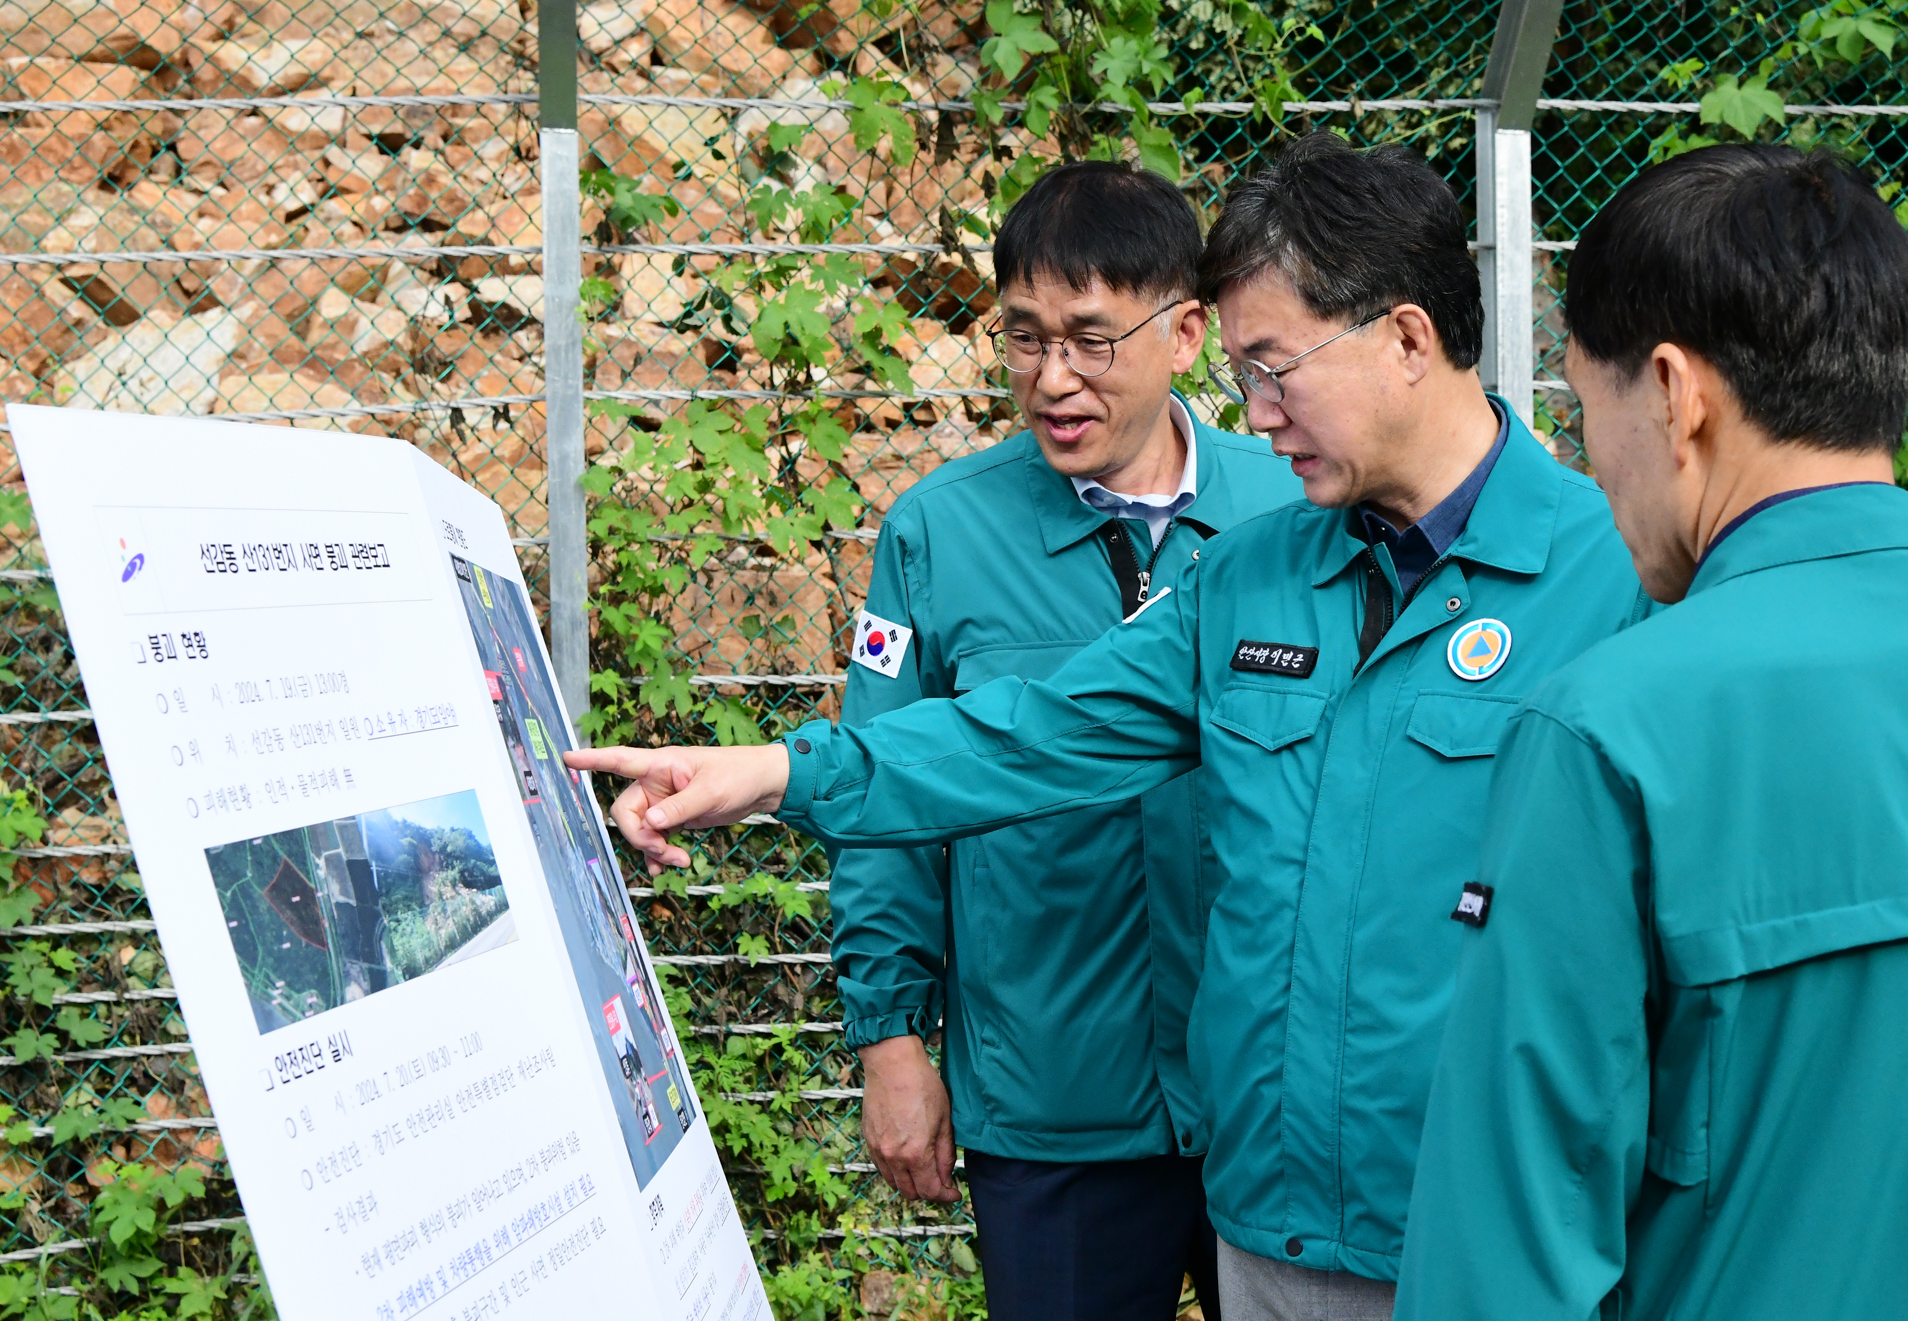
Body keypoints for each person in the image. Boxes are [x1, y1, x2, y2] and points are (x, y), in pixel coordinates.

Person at [570, 132, 1652, 1320]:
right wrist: (771, 771)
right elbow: (1024, 733)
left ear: (1405, 338)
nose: (1256, 411)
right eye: (1244, 374)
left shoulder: (1614, 578)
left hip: (1480, 1234)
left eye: (1275, 367)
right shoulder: (1250, 578)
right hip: (1266, 1229)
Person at [1396, 146, 1908, 1320]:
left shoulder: (1611, 726)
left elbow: (1506, 1246)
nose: (1588, 463)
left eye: (1583, 412)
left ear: (1675, 392)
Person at [831, 162, 1303, 1321]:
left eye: (1091, 340)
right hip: (1052, 1103)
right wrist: (889, 1037)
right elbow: (885, 792)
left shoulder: (1291, 509)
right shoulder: (940, 530)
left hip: (1265, 1091)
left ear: (1187, 329)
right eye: (1024, 339)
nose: (1053, 379)